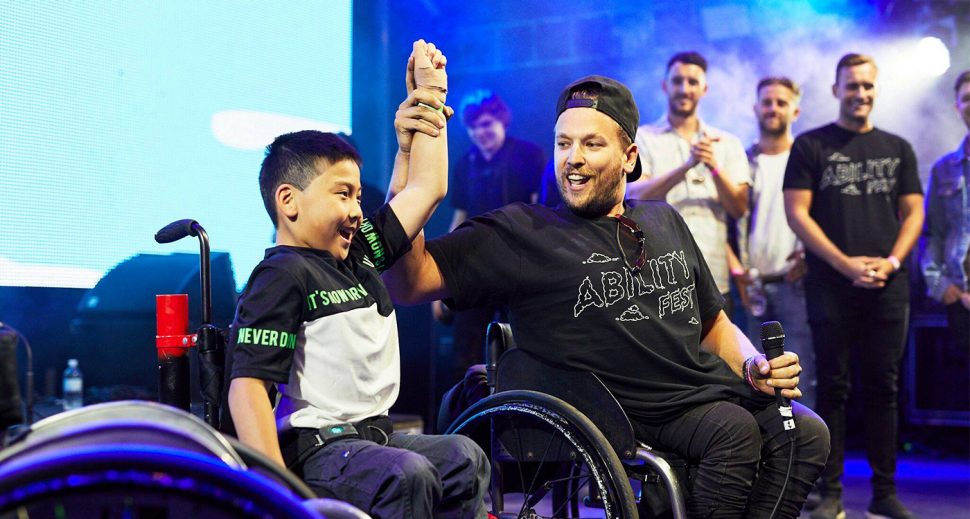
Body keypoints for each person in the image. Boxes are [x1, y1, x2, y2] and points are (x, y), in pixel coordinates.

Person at [385, 74, 829, 518]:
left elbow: (713, 323)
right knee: (732, 432)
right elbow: (408, 281)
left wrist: (754, 366)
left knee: (807, 432)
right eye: (563, 144)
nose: (573, 158)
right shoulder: (525, 231)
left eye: (592, 144)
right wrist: (409, 156)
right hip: (626, 409)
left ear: (628, 157)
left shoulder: (664, 219)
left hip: (702, 390)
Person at [226, 41, 488, 519]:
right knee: (407, 474)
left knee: (463, 459)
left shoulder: (358, 255)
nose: (355, 210)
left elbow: (425, 189)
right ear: (289, 201)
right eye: (342, 194)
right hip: (318, 454)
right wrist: (276, 496)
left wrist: (430, 97)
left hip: (375, 443)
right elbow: (247, 390)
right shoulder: (280, 274)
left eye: (357, 196)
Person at [784, 53, 924, 519]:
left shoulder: (898, 147)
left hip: (888, 285)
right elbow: (797, 213)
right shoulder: (810, 145)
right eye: (851, 85)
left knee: (884, 387)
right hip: (830, 284)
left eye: (867, 85)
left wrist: (893, 261)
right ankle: (831, 494)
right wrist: (845, 265)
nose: (860, 93)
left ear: (875, 90)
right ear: (836, 90)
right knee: (833, 387)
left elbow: (914, 213)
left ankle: (884, 494)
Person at [433, 90, 545, 382]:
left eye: (486, 124)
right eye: (474, 127)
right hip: (476, 265)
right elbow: (459, 219)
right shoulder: (465, 164)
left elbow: (541, 211)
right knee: (466, 352)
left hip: (520, 265)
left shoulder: (529, 155)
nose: (480, 132)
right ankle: (469, 407)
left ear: (502, 121)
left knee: (521, 348)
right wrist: (441, 279)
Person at [630, 51, 751, 315]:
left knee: (721, 342)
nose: (684, 89)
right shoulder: (644, 139)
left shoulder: (726, 143)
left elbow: (739, 208)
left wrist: (714, 167)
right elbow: (634, 197)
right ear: (665, 85)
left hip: (714, 276)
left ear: (704, 89)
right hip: (660, 277)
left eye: (693, 82)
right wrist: (686, 166)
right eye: (677, 81)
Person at [732, 77, 816, 409]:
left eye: (781, 102)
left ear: (795, 110)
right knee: (752, 380)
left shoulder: (808, 158)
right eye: (767, 102)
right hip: (750, 285)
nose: (773, 108)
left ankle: (805, 442)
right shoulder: (742, 160)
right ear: (756, 108)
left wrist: (810, 256)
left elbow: (824, 217)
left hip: (795, 285)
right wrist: (737, 269)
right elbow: (727, 221)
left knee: (800, 379)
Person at [921, 70, 970, 345]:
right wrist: (940, 284)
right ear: (957, 107)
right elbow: (932, 233)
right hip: (962, 299)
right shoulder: (944, 169)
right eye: (967, 98)